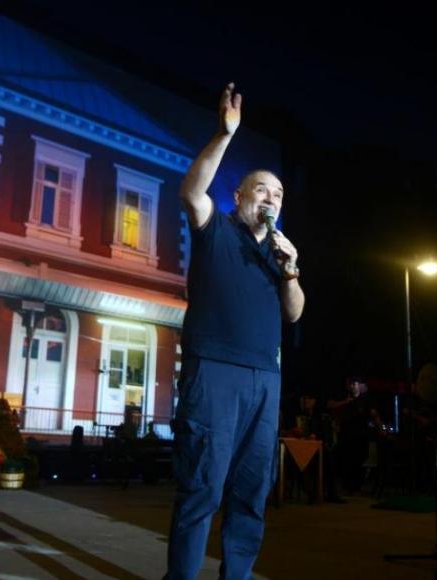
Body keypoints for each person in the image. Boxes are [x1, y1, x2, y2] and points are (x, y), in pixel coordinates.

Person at [166, 82, 305, 579]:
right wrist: (225, 135)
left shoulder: (278, 254)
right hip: (213, 371)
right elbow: (191, 192)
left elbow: (294, 314)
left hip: (265, 378)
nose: (272, 197)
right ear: (240, 195)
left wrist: (291, 271)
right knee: (203, 485)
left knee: (251, 491)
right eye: (262, 188)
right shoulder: (217, 228)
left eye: (279, 193)